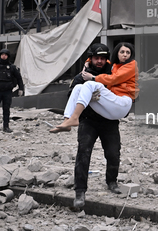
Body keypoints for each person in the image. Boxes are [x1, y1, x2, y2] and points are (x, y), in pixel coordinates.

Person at [50, 42, 137, 209]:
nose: (100, 61)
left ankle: (112, 181)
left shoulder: (114, 72)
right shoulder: (81, 76)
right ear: (90, 58)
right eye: (97, 58)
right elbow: (72, 95)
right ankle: (80, 192)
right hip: (88, 120)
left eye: (103, 58)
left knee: (113, 153)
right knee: (83, 154)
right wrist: (88, 99)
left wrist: (123, 110)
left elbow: (124, 94)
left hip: (109, 122)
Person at [0, 48, 24, 133]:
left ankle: (6, 126)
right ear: (0, 55)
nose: (4, 56)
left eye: (6, 55)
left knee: (6, 109)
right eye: (2, 54)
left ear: (8, 56)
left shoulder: (12, 67)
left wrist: (21, 88)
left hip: (7, 91)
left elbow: (19, 78)